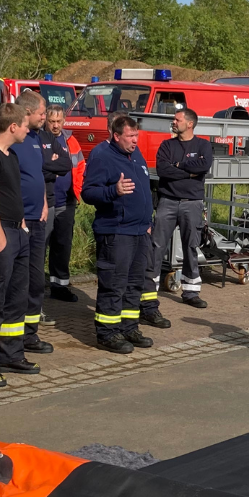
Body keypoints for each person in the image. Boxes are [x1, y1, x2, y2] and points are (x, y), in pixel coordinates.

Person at [0, 102, 42, 384]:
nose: (27, 130)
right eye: (24, 125)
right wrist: (0, 239)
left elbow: (11, 195)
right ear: (13, 127)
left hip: (17, 233)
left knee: (16, 298)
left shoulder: (10, 155)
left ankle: (11, 354)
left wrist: (22, 225)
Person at [83, 113, 155, 354]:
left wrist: (147, 220)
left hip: (139, 231)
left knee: (134, 284)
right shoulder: (101, 155)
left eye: (136, 135)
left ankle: (129, 328)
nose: (135, 140)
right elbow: (88, 193)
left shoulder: (135, 153)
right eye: (130, 136)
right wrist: (113, 191)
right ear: (116, 136)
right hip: (116, 231)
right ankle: (108, 333)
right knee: (114, 284)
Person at [149, 106, 214, 319]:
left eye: (177, 119)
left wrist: (178, 166)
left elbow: (204, 166)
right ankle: (149, 290)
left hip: (192, 203)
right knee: (157, 245)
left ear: (190, 123)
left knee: (191, 246)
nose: (174, 122)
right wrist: (188, 172)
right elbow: (163, 170)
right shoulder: (167, 145)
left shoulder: (203, 145)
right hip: (167, 201)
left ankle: (191, 292)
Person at [9, 90, 53, 355]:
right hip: (19, 222)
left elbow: (37, 175)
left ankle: (30, 333)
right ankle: (14, 337)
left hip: (38, 219)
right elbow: (10, 182)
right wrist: (20, 214)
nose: (45, 117)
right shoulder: (13, 140)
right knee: (19, 282)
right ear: (27, 112)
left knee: (36, 280)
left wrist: (44, 202)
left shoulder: (36, 137)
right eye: (42, 113)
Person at [40, 103, 81, 302]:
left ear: (64, 120)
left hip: (67, 201)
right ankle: (36, 288)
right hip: (45, 202)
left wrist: (77, 193)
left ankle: (60, 286)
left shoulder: (70, 140)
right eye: (51, 121)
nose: (55, 125)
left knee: (63, 246)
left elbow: (79, 167)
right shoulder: (39, 139)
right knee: (41, 246)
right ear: (45, 121)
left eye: (58, 121)